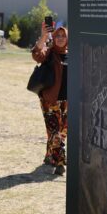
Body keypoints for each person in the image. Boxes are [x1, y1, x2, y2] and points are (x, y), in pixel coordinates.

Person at [32, 21, 68, 175]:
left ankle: (49, 155)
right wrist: (44, 36)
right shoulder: (49, 52)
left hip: (67, 101)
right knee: (55, 132)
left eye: (63, 35)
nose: (60, 38)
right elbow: (36, 54)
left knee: (62, 131)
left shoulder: (73, 53)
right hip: (49, 100)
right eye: (57, 35)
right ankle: (60, 163)